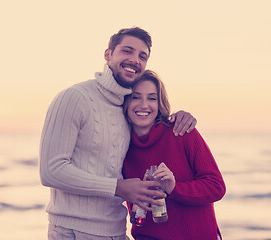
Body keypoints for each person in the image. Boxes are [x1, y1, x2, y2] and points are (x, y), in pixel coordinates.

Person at [39, 27, 197, 240]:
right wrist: (118, 187)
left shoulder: (126, 107)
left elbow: (150, 117)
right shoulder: (74, 97)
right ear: (108, 54)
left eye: (142, 56)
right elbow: (51, 170)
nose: (135, 60)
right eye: (127, 51)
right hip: (73, 231)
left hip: (117, 230)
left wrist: (180, 116)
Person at [122, 70, 226, 240]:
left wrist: (174, 188)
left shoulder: (181, 132)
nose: (143, 105)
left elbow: (217, 187)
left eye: (152, 98)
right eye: (135, 97)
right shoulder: (120, 145)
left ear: (159, 103)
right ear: (125, 100)